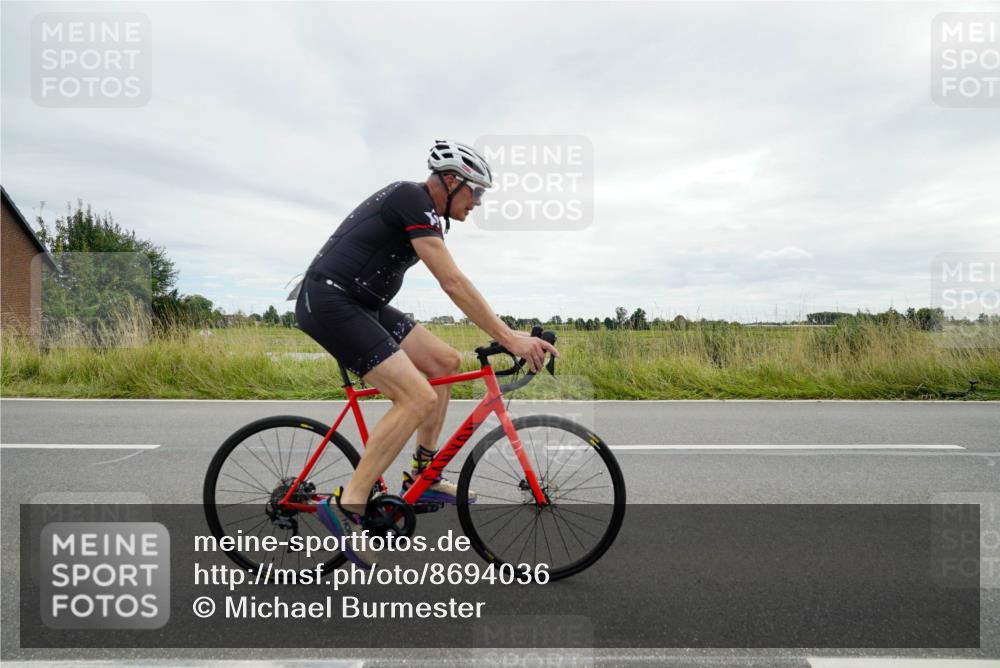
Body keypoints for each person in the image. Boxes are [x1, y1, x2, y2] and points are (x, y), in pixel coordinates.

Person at [294, 140, 558, 568]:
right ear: (452, 182)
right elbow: (451, 282)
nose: (478, 203)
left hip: (363, 303)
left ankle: (424, 473)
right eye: (477, 192)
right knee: (418, 396)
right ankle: (349, 505)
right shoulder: (411, 198)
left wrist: (508, 332)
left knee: (444, 363)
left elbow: (454, 282)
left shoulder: (424, 210)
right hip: (330, 302)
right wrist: (510, 338)